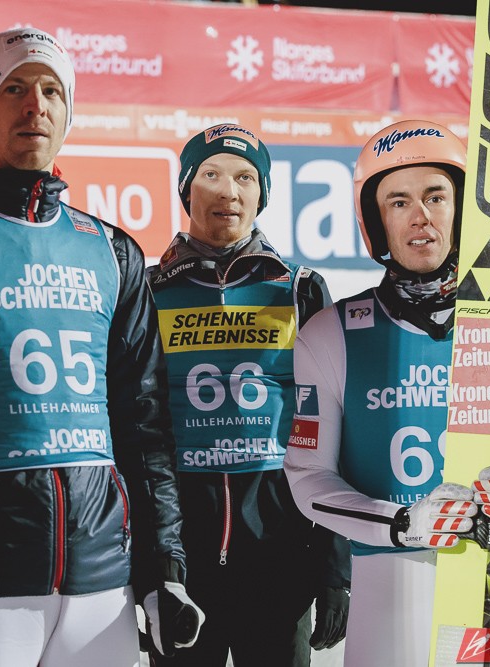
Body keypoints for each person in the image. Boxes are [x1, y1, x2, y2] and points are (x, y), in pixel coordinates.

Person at [283, 119, 490, 666]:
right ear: (376, 222)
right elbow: (308, 477)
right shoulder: (330, 336)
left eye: (435, 196)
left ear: (463, 209)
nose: (420, 216)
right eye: (398, 202)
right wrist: (403, 523)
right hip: (388, 596)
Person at [0, 27, 202, 667]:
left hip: (102, 582)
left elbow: (143, 425)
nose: (36, 106)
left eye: (52, 91)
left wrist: (164, 568)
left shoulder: (110, 249)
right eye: (14, 90)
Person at [145, 123, 351, 667]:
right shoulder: (147, 290)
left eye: (244, 178)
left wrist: (335, 566)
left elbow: (335, 426)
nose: (228, 192)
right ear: (186, 188)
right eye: (210, 175)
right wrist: (148, 565)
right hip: (182, 553)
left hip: (280, 553)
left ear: (262, 194)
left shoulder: (299, 288)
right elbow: (134, 424)